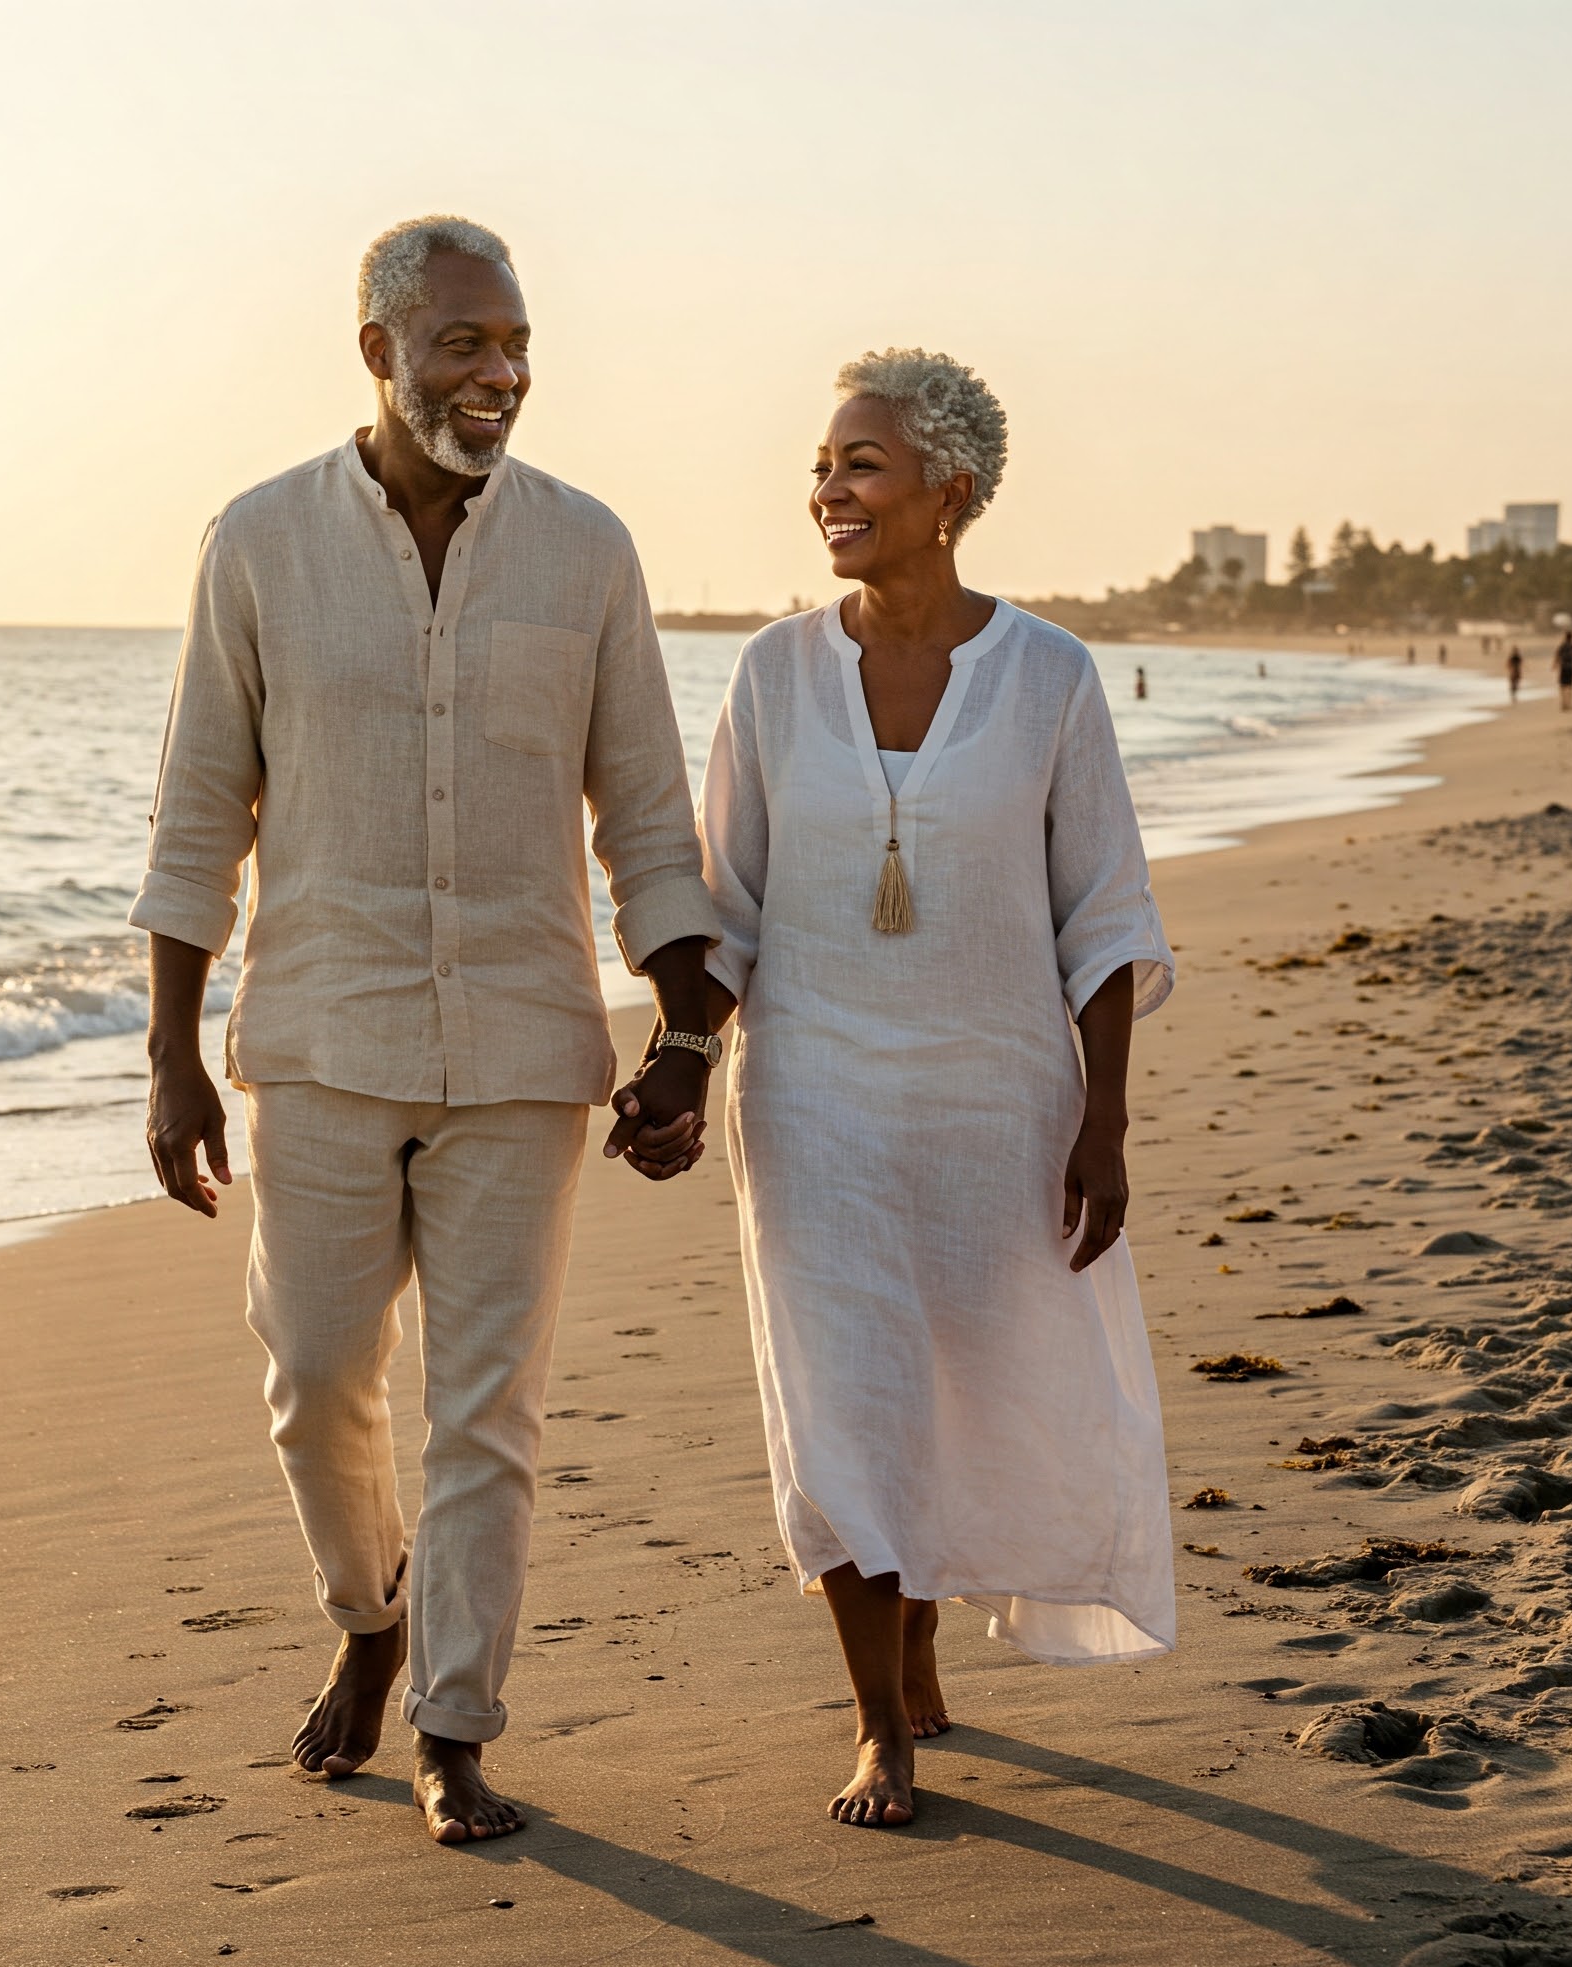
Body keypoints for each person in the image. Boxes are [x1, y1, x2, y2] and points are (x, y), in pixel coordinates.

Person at [130, 216, 722, 1847]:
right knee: (316, 1375)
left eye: (515, 341)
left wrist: (686, 1030)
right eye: (462, 341)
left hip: (525, 1050)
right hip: (317, 1032)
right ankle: (369, 1610)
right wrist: (172, 1050)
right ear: (377, 349)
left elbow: (650, 825)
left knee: (488, 1406)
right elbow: (197, 813)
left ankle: (454, 1727)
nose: (498, 371)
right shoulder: (255, 542)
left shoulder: (585, 550)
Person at [649, 349, 1176, 1829]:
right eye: (822, 466)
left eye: (861, 464)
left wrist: (1105, 1117)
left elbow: (1106, 917)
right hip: (809, 1092)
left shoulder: (1049, 678)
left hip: (994, 1093)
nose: (828, 490)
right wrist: (684, 1061)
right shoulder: (772, 673)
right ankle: (880, 1719)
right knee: (844, 1398)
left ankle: (926, 1618)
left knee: (964, 1382)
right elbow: (726, 908)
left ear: (950, 491)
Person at [1555, 629, 1572, 710]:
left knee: (1562, 686)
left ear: (1565, 637)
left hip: (1563, 668)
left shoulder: (1562, 646)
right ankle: (1569, 704)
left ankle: (1563, 703)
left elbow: (1557, 655)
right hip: (1570, 668)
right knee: (1570, 687)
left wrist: (1555, 665)